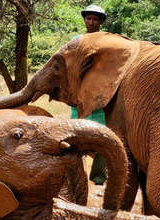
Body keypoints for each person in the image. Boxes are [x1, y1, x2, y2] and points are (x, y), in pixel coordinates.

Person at [71, 5, 107, 185]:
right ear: (84, 20)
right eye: (88, 19)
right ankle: (75, 176)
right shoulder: (76, 41)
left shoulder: (107, 42)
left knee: (103, 137)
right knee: (74, 138)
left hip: (100, 96)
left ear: (101, 22)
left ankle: (99, 177)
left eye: (95, 19)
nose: (91, 22)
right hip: (79, 95)